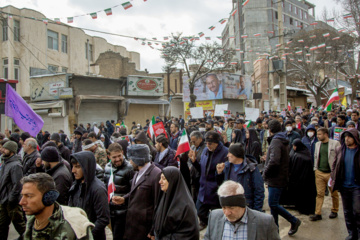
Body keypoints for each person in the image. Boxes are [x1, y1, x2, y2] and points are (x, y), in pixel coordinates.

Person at [20, 173, 94, 239]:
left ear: (48, 197)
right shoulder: (31, 221)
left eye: (29, 196)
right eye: (22, 196)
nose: (21, 202)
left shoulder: (74, 225)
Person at [112, 144, 161, 240]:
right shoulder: (137, 172)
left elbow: (158, 204)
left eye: (131, 159)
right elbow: (136, 193)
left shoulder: (156, 174)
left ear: (138, 159)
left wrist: (153, 229)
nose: (130, 162)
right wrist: (124, 199)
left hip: (145, 229)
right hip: (134, 226)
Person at [204, 180, 280, 240]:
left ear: (242, 205)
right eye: (224, 207)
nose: (227, 213)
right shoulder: (214, 217)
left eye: (231, 208)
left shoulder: (265, 222)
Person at [263, 119, 301, 235]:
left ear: (270, 130)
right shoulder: (282, 139)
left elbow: (274, 161)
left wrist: (265, 173)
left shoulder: (276, 141)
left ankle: (294, 220)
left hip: (276, 178)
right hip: (280, 176)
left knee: (273, 204)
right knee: (274, 206)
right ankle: (275, 231)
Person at [189, 131, 228, 230]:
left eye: (210, 143)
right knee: (199, 210)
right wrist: (194, 162)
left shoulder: (225, 152)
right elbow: (202, 169)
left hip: (215, 189)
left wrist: (220, 173)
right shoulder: (205, 151)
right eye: (206, 143)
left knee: (217, 215)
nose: (208, 145)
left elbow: (227, 174)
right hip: (203, 188)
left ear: (217, 142)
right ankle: (205, 222)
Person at [68, 151, 110, 240]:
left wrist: (88, 235)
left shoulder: (98, 189)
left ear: (87, 167)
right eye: (73, 166)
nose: (73, 170)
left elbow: (103, 219)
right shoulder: (76, 186)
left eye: (77, 167)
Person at [151, 167, 199, 240]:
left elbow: (188, 233)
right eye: (160, 178)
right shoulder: (165, 195)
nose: (160, 182)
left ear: (172, 181)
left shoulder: (186, 206)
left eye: (163, 179)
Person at [216, 143, 264, 211]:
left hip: (246, 206)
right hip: (230, 205)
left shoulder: (251, 168)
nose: (227, 155)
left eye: (230, 153)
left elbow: (259, 190)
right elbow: (220, 185)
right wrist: (219, 173)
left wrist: (256, 210)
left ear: (236, 154)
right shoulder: (227, 166)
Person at [331, 128, 360, 240]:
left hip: (357, 186)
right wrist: (334, 178)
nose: (346, 139)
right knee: (347, 211)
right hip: (344, 186)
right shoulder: (340, 150)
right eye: (345, 137)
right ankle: (352, 233)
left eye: (349, 137)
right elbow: (334, 166)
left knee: (357, 211)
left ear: (355, 138)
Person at [104, 143, 134, 240]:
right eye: (114, 157)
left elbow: (134, 191)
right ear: (109, 157)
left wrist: (124, 199)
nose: (117, 159)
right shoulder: (107, 168)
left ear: (122, 153)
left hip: (125, 213)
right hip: (111, 212)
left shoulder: (130, 168)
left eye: (119, 156)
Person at [310, 127, 340, 221]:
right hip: (319, 172)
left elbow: (339, 158)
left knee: (334, 193)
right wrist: (316, 169)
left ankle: (334, 210)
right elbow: (315, 157)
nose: (317, 136)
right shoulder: (317, 144)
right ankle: (318, 213)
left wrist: (335, 172)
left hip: (331, 173)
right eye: (317, 134)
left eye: (319, 134)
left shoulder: (335, 144)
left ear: (326, 134)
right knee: (319, 193)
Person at [282, 139, 316, 215]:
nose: (293, 147)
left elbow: (295, 169)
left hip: (301, 179)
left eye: (294, 146)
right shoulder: (305, 153)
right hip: (306, 180)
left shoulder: (298, 156)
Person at [0, 141, 26, 239]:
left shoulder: (15, 165)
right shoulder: (6, 162)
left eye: (5, 149)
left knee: (20, 225)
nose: (3, 150)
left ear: (11, 151)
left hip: (11, 202)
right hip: (4, 200)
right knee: (2, 225)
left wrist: (11, 199)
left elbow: (18, 185)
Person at [188, 131, 206, 203]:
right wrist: (190, 165)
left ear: (200, 139)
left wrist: (194, 161)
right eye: (191, 142)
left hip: (200, 177)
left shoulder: (205, 149)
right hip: (193, 176)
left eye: (194, 141)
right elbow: (189, 160)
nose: (193, 143)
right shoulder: (192, 147)